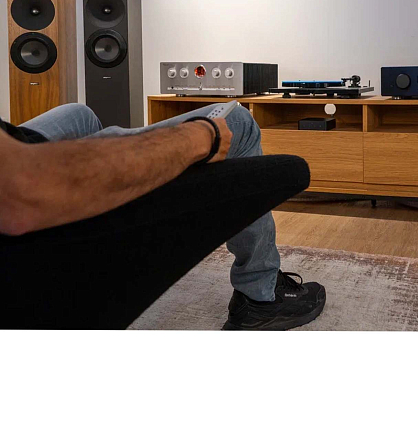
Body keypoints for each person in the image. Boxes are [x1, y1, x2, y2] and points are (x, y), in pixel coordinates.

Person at [0, 102, 326, 330]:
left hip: (12, 141)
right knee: (237, 121)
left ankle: (98, 238)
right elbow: (21, 188)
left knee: (79, 114)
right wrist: (201, 135)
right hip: (19, 176)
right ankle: (261, 296)